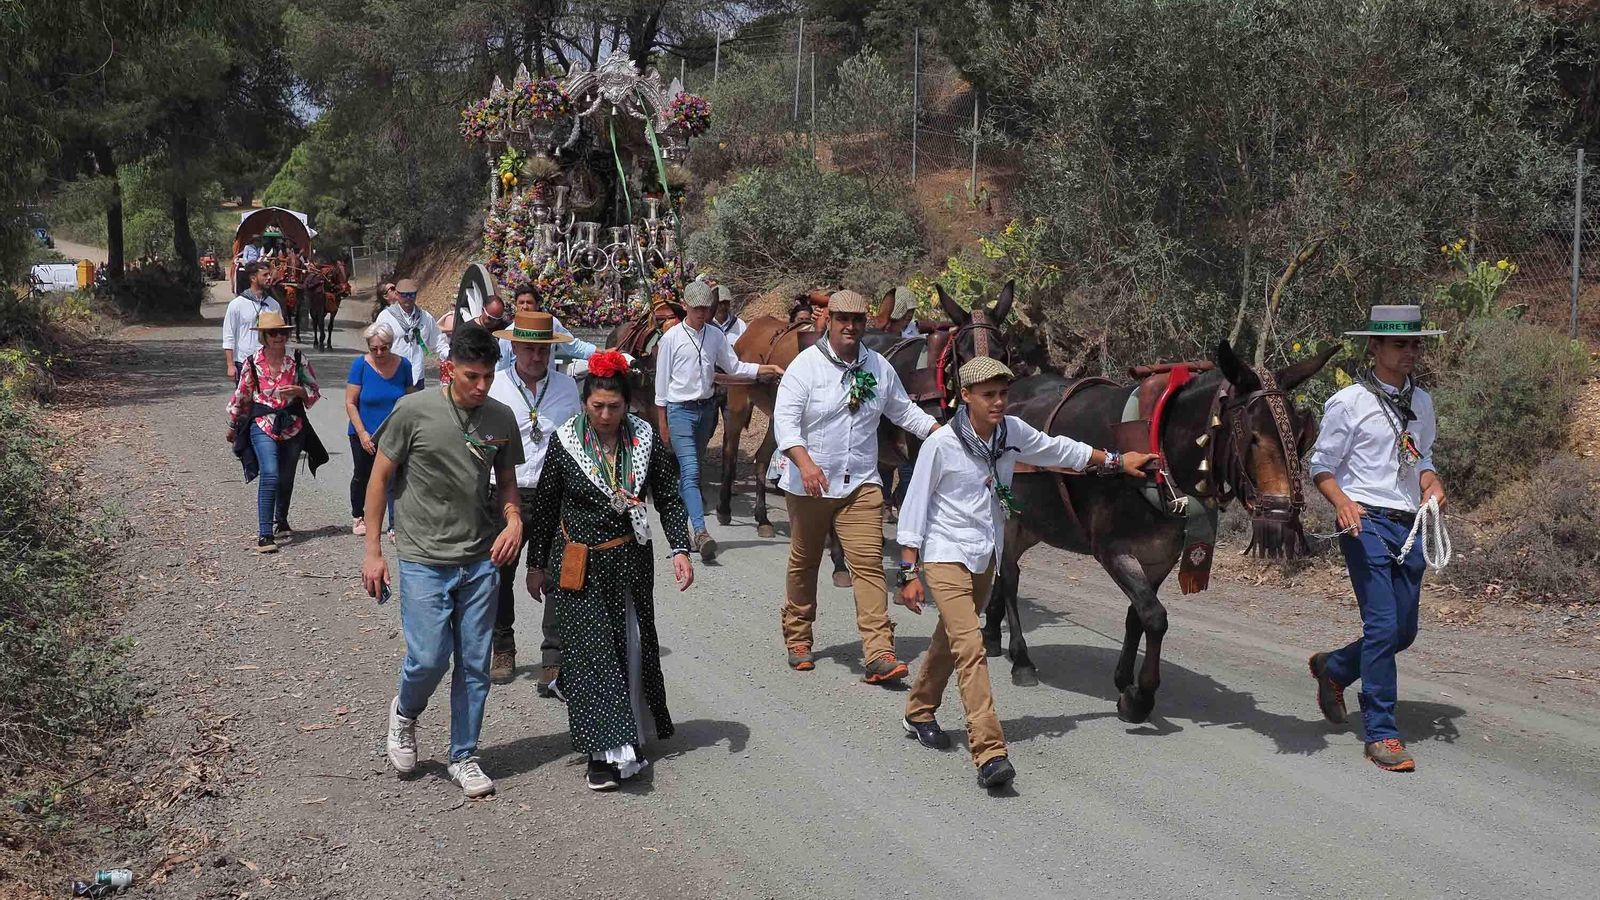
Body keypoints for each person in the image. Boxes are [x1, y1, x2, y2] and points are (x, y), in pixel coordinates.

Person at [895, 357, 1154, 789]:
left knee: (951, 639)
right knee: (971, 647)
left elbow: (1059, 451)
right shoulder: (942, 446)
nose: (998, 403)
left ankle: (919, 710)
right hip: (944, 554)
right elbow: (914, 506)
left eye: (1002, 394)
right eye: (988, 395)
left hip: (985, 555)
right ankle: (989, 752)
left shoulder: (1011, 434)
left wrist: (1115, 460)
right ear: (965, 397)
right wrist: (908, 571)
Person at [362, 324, 525, 799]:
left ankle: (464, 755)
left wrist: (514, 521)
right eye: (472, 376)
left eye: (489, 377)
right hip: (422, 557)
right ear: (448, 368)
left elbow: (508, 483)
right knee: (430, 657)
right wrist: (373, 551)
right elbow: (379, 480)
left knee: (475, 664)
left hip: (479, 559)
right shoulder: (413, 412)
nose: (481, 386)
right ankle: (405, 712)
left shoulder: (500, 417)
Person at [523, 350, 695, 791]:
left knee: (630, 647)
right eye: (596, 406)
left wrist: (679, 548)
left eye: (614, 407)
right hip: (577, 563)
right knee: (591, 655)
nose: (604, 415)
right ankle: (603, 754)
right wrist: (536, 565)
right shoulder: (566, 443)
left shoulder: (644, 440)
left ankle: (629, 736)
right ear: (585, 403)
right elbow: (544, 508)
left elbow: (670, 497)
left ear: (628, 404)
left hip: (629, 562)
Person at [1306, 304, 1448, 774]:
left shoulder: (1421, 402)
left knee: (1402, 631)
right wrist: (1342, 502)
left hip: (1410, 524)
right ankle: (1382, 732)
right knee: (1384, 627)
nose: (1410, 352)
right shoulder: (1348, 402)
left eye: (1414, 343)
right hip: (1364, 522)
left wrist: (1431, 482)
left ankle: (1337, 669)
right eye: (1399, 344)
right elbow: (1321, 465)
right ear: (1374, 346)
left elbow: (1421, 455)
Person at [773, 289, 936, 684]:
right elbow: (785, 423)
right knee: (805, 561)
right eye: (842, 319)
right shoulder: (805, 367)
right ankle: (798, 637)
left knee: (867, 565)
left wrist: (939, 433)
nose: (850, 326)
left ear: (866, 324)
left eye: (857, 320)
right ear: (828, 320)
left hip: (862, 483)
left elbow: (903, 411)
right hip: (810, 485)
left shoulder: (878, 367)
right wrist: (806, 463)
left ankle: (879, 651)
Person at [486, 310, 583, 692]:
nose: (536, 358)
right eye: (528, 349)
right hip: (504, 492)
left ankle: (553, 660)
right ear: (514, 348)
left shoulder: (567, 388)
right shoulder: (494, 386)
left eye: (543, 351)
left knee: (558, 576)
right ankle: (503, 646)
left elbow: (577, 440)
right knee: (500, 573)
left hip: (554, 494)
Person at [654, 279, 783, 562]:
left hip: (706, 412)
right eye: (697, 308)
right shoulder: (671, 339)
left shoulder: (715, 337)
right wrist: (662, 423)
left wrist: (764, 368)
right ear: (686, 306)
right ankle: (701, 532)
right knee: (690, 470)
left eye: (705, 308)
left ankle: (678, 524)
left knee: (690, 470)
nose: (702, 313)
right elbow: (661, 388)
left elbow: (734, 367)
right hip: (679, 411)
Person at [225, 311, 326, 553]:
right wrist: (232, 424)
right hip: (262, 424)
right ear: (264, 336)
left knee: (286, 476)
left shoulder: (298, 360)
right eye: (272, 333)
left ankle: (281, 519)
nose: (278, 337)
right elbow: (241, 396)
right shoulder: (251, 362)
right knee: (269, 474)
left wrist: (300, 392)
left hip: (294, 425)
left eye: (282, 332)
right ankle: (264, 534)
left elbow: (314, 390)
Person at [346, 321, 416, 537]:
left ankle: (394, 525)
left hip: (394, 433)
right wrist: (362, 433)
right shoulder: (360, 365)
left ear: (391, 344)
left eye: (384, 347)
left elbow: (410, 399)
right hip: (365, 432)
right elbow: (350, 402)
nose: (379, 352)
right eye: (374, 348)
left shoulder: (403, 365)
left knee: (395, 479)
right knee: (363, 475)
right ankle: (359, 514)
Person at [375, 278, 449, 388]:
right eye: (404, 295)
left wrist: (451, 355)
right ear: (397, 294)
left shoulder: (425, 317)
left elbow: (438, 342)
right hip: (393, 377)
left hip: (417, 378)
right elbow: (377, 347)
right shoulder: (385, 317)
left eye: (412, 295)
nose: (408, 299)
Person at [498, 286, 597, 367]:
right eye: (521, 303)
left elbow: (573, 346)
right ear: (516, 305)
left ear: (537, 305)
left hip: (548, 384)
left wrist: (600, 352)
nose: (525, 307)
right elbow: (502, 367)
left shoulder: (551, 324)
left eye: (529, 302)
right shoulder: (507, 335)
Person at [221, 262, 283, 382]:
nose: (269, 278)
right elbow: (229, 336)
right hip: (244, 361)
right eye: (265, 275)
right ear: (253, 278)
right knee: (245, 400)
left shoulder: (273, 304)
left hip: (268, 362)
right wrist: (230, 365)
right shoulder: (236, 305)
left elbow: (281, 335)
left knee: (267, 400)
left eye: (269, 274)